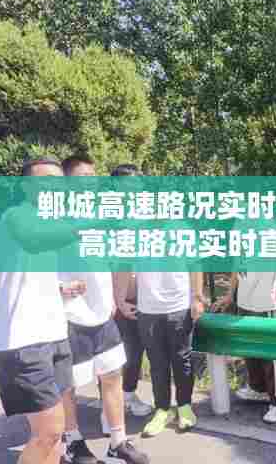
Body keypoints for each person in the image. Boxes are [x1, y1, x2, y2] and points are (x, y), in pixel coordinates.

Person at [0, 158, 86, 464]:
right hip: (24, 342)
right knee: (48, 433)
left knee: (55, 438)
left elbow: (22, 274)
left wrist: (60, 288)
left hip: (55, 336)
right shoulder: (15, 216)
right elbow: (32, 240)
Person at [59, 155, 149, 464]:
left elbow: (113, 261)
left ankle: (117, 442)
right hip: (69, 315)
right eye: (83, 177)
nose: (91, 182)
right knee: (68, 384)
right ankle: (72, 442)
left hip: (102, 313)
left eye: (93, 177)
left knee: (112, 375)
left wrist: (116, 298)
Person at [114, 271, 206, 437]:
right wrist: (120, 301)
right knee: (157, 363)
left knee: (182, 359)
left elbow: (195, 264)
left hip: (180, 305)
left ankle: (184, 406)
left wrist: (197, 298)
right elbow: (124, 265)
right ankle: (162, 410)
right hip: (148, 309)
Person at [218, 272, 276, 424]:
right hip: (245, 298)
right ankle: (259, 389)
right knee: (251, 348)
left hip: (268, 299)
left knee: (273, 353)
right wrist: (230, 294)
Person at [110, 164, 152, 418]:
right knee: (124, 351)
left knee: (138, 350)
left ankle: (126, 395)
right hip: (118, 298)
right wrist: (116, 299)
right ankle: (117, 402)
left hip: (146, 295)